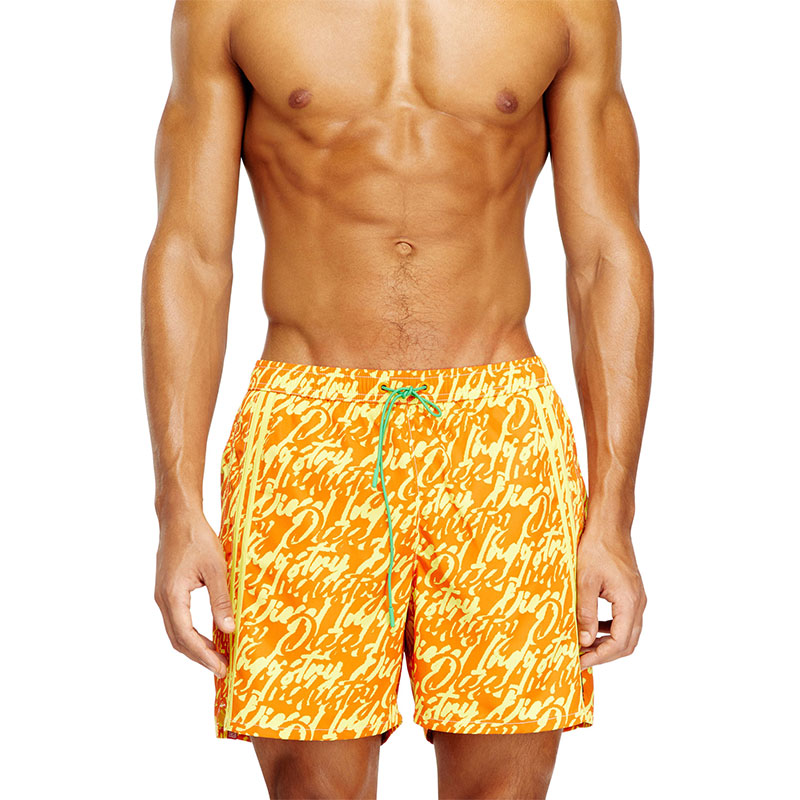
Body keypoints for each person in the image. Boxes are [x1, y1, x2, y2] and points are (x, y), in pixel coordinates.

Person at [141, 0, 652, 797]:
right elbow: (192, 251)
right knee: (313, 783)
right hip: (309, 431)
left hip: (499, 432)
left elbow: (604, 253)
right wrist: (176, 505)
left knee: (504, 785)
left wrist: (613, 514)